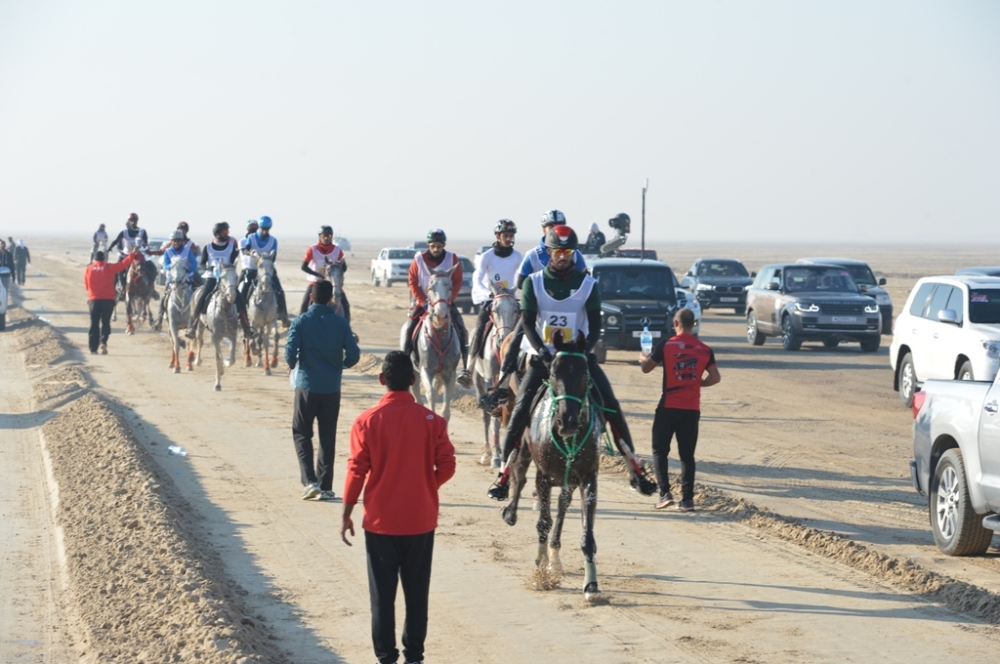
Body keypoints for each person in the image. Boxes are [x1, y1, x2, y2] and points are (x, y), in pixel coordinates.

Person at [487, 225, 655, 501]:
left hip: (577, 360)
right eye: (557, 251)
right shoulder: (534, 282)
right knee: (519, 411)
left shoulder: (588, 284)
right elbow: (527, 323)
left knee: (610, 404)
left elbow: (597, 325)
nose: (563, 256)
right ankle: (504, 475)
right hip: (543, 360)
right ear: (549, 253)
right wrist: (542, 352)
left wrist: (583, 351)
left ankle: (635, 468)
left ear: (573, 253)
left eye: (568, 251)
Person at [340, 350, 456, 664]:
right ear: (414, 381)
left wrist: (347, 512)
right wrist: (427, 487)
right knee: (417, 594)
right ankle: (414, 656)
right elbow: (447, 465)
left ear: (382, 380)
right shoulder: (432, 421)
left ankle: (386, 657)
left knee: (383, 596)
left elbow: (356, 470)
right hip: (420, 522)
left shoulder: (366, 421)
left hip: (380, 523)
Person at [639, 308, 721, 511]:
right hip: (691, 409)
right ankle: (687, 500)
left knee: (660, 451)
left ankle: (665, 494)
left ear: (675, 323)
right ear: (694, 324)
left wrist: (643, 360)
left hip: (668, 406)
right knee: (687, 455)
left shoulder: (666, 345)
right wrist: (696, 384)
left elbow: (647, 368)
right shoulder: (704, 349)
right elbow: (715, 377)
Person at [286, 280, 360, 500]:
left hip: (307, 386)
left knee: (302, 433)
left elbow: (289, 354)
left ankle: (310, 481)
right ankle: (326, 486)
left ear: (311, 297)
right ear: (330, 299)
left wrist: (295, 363)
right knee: (327, 437)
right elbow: (354, 356)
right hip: (331, 388)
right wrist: (340, 366)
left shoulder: (300, 321)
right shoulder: (340, 323)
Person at [403, 229, 470, 386]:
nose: (436, 249)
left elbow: (457, 281)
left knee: (462, 329)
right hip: (423, 304)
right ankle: (406, 364)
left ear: (443, 246)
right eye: (433, 246)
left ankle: (466, 369)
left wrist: (448, 301)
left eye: (439, 246)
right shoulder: (418, 260)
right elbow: (412, 281)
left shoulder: (452, 259)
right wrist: (422, 301)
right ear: (428, 245)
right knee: (409, 329)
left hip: (445, 304)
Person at [185, 222, 255, 340]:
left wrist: (228, 270)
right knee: (201, 298)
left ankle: (247, 328)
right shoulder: (208, 247)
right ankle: (193, 326)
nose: (227, 234)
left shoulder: (231, 247)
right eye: (224, 232)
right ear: (217, 233)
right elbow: (202, 264)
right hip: (212, 277)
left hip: (226, 280)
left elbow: (233, 263)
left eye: (227, 231)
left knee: (241, 300)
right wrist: (211, 268)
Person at [468, 219, 522, 364]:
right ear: (498, 236)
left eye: (511, 236)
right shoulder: (486, 256)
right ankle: (469, 368)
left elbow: (523, 277)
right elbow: (477, 280)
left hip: (510, 300)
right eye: (506, 236)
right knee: (480, 328)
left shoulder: (517, 256)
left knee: (526, 326)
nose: (509, 239)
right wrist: (489, 294)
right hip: (490, 300)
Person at [84, 249, 144, 354]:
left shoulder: (89, 269)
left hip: (93, 300)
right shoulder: (109, 268)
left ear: (95, 259)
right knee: (105, 323)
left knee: (94, 324)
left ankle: (93, 349)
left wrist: (91, 294)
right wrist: (132, 254)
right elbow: (123, 264)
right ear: (104, 259)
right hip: (108, 300)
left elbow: (86, 284)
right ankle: (103, 342)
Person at [239, 215, 290, 326]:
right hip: (253, 269)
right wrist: (250, 253)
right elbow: (245, 250)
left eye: (266, 230)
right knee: (244, 291)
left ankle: (284, 317)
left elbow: (274, 257)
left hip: (267, 270)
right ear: (259, 228)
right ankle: (241, 315)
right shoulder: (251, 237)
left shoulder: (273, 241)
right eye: (262, 229)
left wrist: (266, 259)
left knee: (280, 291)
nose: (264, 231)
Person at [300, 225, 351, 320]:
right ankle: (300, 327)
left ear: (331, 237)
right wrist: (317, 275)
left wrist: (336, 276)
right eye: (324, 236)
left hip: (332, 284)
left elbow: (344, 267)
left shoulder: (337, 250)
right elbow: (304, 266)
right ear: (320, 236)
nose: (326, 238)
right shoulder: (313, 249)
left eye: (329, 236)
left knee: (346, 304)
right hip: (315, 283)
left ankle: (347, 330)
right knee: (304, 304)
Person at [107, 212, 158, 300]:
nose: (133, 222)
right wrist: (109, 248)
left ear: (137, 221)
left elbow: (145, 243)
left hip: (139, 255)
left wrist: (146, 249)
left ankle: (152, 289)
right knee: (118, 269)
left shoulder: (142, 231)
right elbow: (116, 241)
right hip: (126, 255)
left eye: (134, 220)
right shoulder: (124, 232)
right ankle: (122, 289)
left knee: (152, 268)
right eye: (131, 220)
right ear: (128, 221)